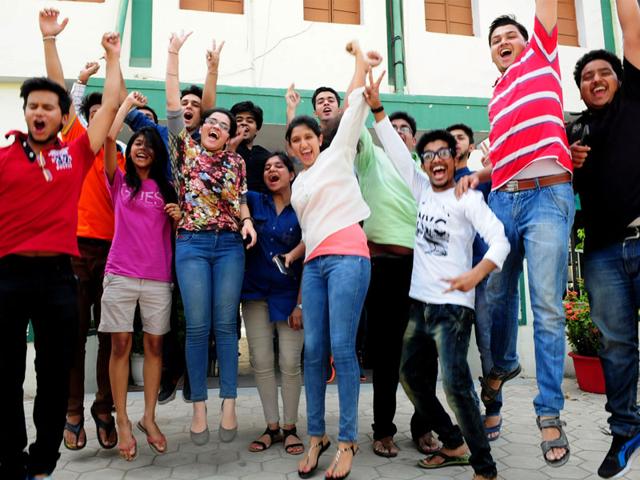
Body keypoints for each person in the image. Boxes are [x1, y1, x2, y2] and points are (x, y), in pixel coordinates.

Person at [365, 69, 509, 480]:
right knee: (410, 377)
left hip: (453, 308)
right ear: (423, 163)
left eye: (443, 153)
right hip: (419, 305)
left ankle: (484, 466)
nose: (435, 160)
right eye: (427, 155)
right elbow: (394, 148)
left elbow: (500, 240)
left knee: (456, 385)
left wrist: (476, 273)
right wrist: (377, 108)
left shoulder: (467, 197)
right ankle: (452, 440)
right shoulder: (420, 188)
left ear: (454, 158)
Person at [0, 8, 121, 479]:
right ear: (25, 112)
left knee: (53, 372)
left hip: (58, 276)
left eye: (49, 107)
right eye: (33, 106)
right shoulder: (5, 157)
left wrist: (112, 58)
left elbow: (109, 107)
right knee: (7, 373)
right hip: (7, 276)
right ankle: (10, 457)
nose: (40, 112)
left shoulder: (75, 154)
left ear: (61, 116)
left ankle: (44, 458)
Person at [457, 1, 575, 466]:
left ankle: (549, 412)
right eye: (495, 41)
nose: (503, 43)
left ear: (529, 43)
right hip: (504, 197)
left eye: (511, 37)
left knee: (546, 305)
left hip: (548, 196)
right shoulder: (497, 94)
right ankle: (502, 371)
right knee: (495, 295)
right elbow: (502, 155)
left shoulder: (541, 60)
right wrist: (477, 176)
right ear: (490, 54)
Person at [289, 41, 379, 480]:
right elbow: (309, 233)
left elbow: (350, 107)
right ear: (291, 148)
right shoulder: (298, 186)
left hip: (348, 258)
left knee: (343, 349)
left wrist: (360, 64)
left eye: (309, 137)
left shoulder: (338, 154)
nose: (304, 144)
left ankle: (346, 441)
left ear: (319, 138)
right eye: (296, 140)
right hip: (315, 266)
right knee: (313, 353)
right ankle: (315, 436)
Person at [165, 31, 256, 446]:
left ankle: (231, 402)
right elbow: (172, 106)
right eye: (211, 122)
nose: (217, 126)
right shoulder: (184, 149)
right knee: (198, 327)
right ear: (200, 129)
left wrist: (248, 221)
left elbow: (239, 201)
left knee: (226, 326)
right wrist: (174, 55)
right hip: (192, 245)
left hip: (229, 247)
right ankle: (199, 405)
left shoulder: (236, 161)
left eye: (224, 124)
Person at [566, 1, 640, 476]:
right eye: (586, 75)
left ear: (618, 77)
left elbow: (630, 24)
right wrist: (570, 164)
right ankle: (626, 430)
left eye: (603, 72)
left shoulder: (635, 99)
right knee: (615, 344)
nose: (595, 79)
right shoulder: (573, 131)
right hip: (602, 254)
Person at [98, 91, 179, 461]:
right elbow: (107, 138)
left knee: (155, 347)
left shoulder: (166, 187)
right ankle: (124, 421)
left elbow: (178, 231)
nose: (142, 149)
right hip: (120, 273)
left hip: (158, 277)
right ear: (128, 150)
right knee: (118, 346)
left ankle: (149, 417)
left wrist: (178, 217)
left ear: (157, 153)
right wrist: (126, 108)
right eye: (137, 144)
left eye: (148, 145)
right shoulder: (119, 181)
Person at [353, 109, 435, 458]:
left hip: (425, 270)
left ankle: (424, 427)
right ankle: (383, 430)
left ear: (414, 140)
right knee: (386, 354)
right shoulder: (373, 159)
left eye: (405, 129)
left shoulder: (425, 172)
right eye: (393, 128)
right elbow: (353, 126)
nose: (399, 133)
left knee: (425, 355)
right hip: (385, 267)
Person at [53, 61, 125, 453]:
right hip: (75, 251)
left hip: (115, 255)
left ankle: (104, 409)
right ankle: (73, 412)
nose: (100, 121)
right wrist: (78, 79)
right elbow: (63, 96)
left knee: (112, 336)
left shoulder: (124, 157)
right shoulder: (77, 144)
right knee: (74, 336)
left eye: (107, 116)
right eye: (94, 115)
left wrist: (114, 60)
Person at [241, 152, 305, 456]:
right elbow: (236, 191)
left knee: (291, 364)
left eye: (279, 166)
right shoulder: (255, 200)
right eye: (267, 167)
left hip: (292, 296)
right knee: (262, 362)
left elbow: (313, 253)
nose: (272, 170)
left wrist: (301, 305)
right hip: (255, 293)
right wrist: (246, 218)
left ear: (292, 174)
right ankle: (272, 426)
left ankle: (291, 428)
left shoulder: (304, 206)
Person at [447, 123, 500, 441]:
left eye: (460, 138)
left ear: (469, 146)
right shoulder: (436, 181)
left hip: (480, 275)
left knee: (487, 346)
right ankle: (463, 415)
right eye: (449, 139)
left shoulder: (482, 180)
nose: (454, 143)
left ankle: (493, 412)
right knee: (452, 351)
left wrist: (492, 165)